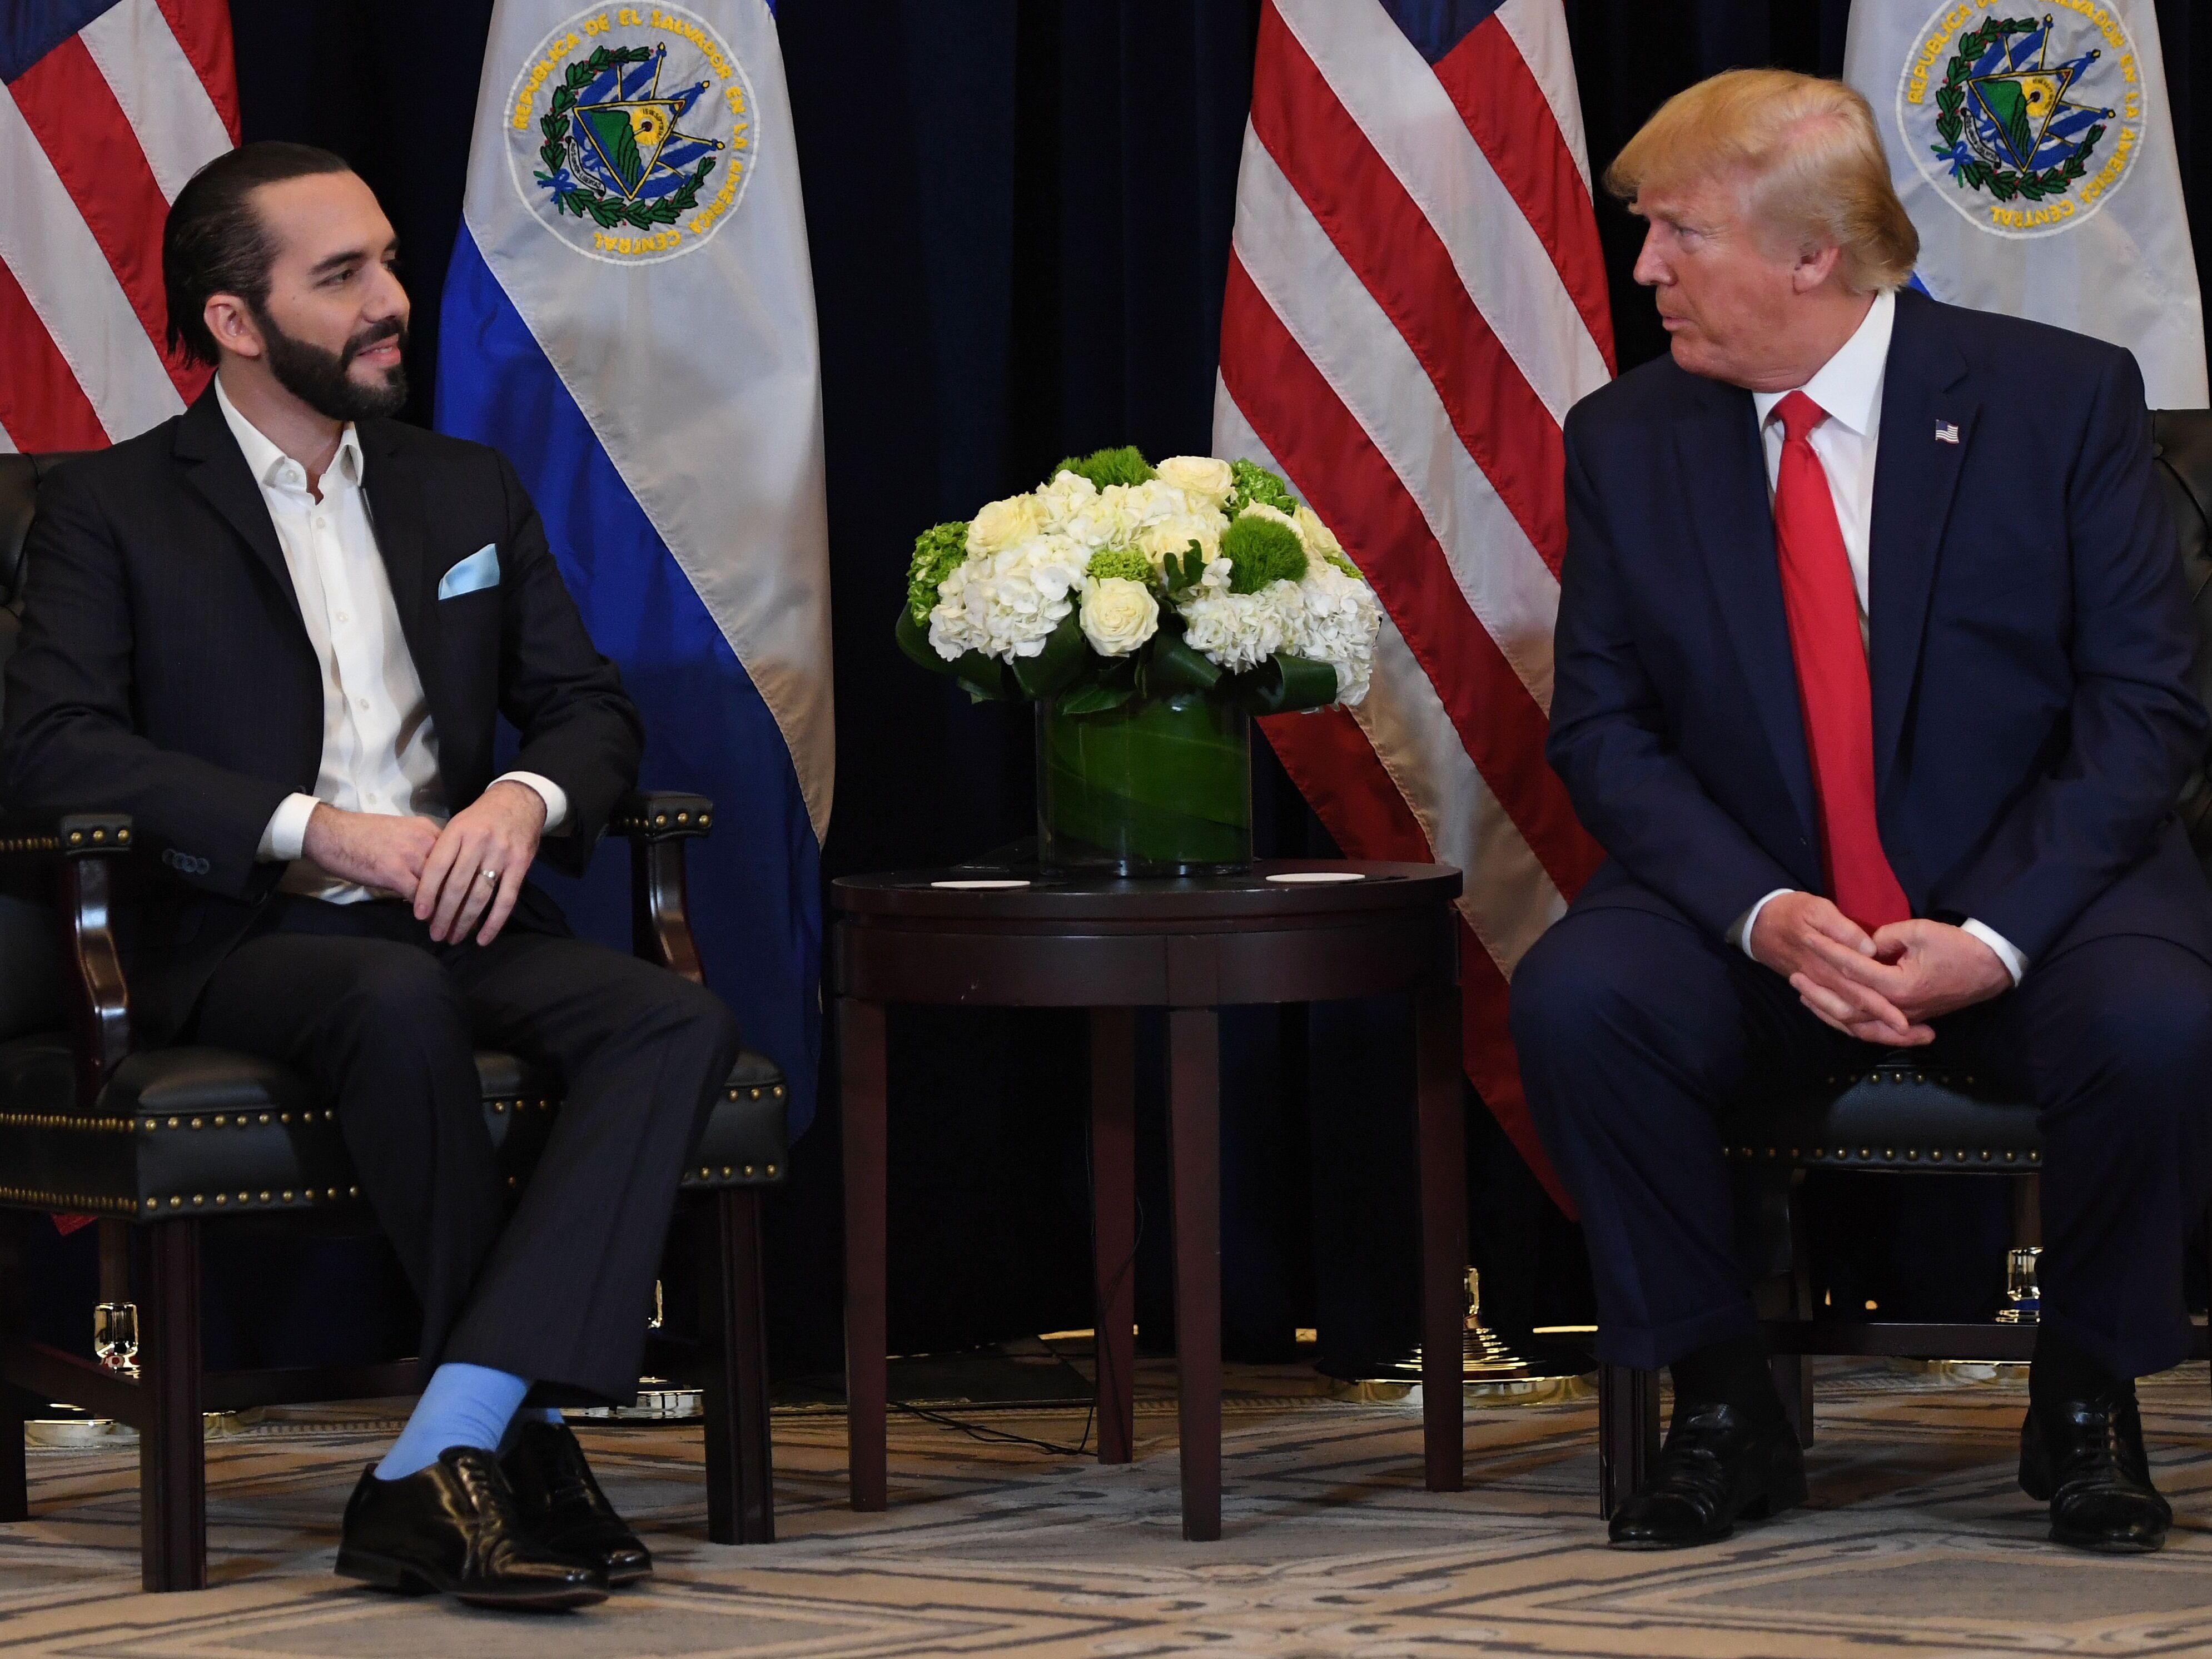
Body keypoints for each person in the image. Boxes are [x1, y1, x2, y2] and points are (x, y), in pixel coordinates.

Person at [2, 142, 744, 1609]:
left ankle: (443, 1445)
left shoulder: (462, 489)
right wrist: (311, 828)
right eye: (341, 277)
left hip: (456, 906)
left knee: (673, 1021)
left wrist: (523, 804)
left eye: (388, 263)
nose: (389, 300)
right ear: (232, 317)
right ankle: (511, 1439)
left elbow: (590, 710)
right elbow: (58, 755)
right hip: (237, 929)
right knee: (390, 998)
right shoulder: (112, 508)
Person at [1512, 71, 2212, 1554]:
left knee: (2154, 1025)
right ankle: (1718, 1398)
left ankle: (2083, 1396)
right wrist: (1763, 918)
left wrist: (1996, 936)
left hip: (2034, 895)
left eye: (1675, 234)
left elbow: (2140, 709)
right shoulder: (1628, 436)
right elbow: (1606, 730)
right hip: (1764, 906)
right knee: (1581, 1001)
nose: (1643, 271)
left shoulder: (2057, 399)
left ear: (1809, 254)